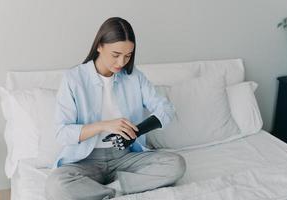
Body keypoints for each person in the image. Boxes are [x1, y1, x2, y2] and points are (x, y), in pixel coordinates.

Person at [45, 17, 186, 200]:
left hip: (125, 156)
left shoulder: (134, 76)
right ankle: (112, 192)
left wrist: (136, 132)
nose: (121, 62)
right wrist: (104, 125)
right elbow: (62, 133)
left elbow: (166, 109)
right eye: (116, 54)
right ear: (99, 46)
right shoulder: (74, 79)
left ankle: (114, 188)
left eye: (128, 56)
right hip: (86, 160)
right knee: (56, 184)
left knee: (176, 164)